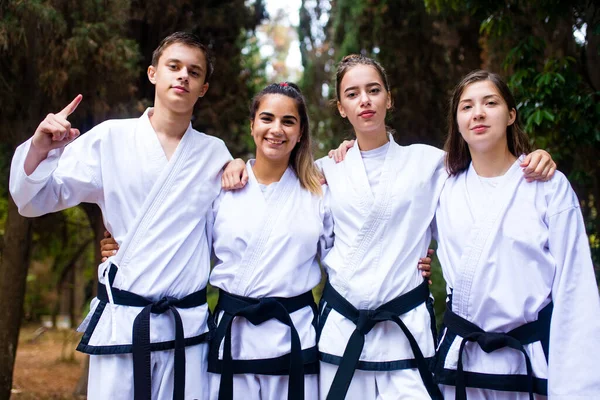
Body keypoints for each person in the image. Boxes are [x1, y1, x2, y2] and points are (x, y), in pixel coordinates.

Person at [9, 32, 244, 400]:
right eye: (174, 66)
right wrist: (41, 146)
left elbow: (230, 237)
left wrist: (243, 165)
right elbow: (34, 199)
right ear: (153, 73)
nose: (183, 76)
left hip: (186, 327)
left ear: (203, 88)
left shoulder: (215, 155)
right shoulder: (110, 139)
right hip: (125, 323)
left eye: (194, 72)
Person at [317, 55, 555, 400]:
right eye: (352, 94)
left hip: (406, 329)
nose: (364, 100)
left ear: (389, 98)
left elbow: (488, 170)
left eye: (373, 90)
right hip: (342, 327)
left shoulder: (431, 163)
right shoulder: (327, 169)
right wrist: (237, 164)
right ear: (341, 107)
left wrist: (535, 157)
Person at [433, 70, 600, 399]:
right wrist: (348, 149)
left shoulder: (549, 186)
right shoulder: (440, 184)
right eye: (466, 107)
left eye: (490, 102)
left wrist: (578, 387)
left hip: (528, 362)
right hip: (460, 363)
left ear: (511, 115)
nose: (478, 113)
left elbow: (575, 287)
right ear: (457, 121)